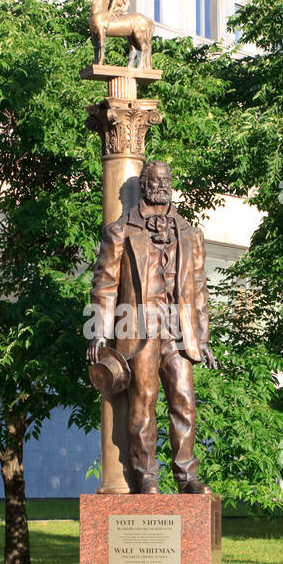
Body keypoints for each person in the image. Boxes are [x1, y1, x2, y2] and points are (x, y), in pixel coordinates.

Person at [87, 159, 217, 494]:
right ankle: (146, 476)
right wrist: (99, 332)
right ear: (143, 185)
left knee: (185, 401)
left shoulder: (191, 234)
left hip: (179, 334)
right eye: (154, 181)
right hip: (140, 331)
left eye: (166, 181)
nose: (160, 186)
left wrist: (202, 337)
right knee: (143, 403)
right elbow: (104, 286)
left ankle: (187, 476)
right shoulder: (120, 231)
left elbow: (199, 288)